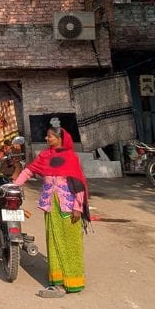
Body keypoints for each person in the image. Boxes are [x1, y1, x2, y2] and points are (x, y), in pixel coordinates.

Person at [13, 125, 90, 297]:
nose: (47, 139)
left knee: (70, 242)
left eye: (50, 137)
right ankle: (57, 280)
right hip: (51, 205)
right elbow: (29, 170)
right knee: (53, 240)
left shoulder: (70, 158)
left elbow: (78, 184)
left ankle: (73, 281)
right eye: (47, 137)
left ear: (60, 139)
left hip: (68, 207)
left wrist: (78, 207)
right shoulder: (44, 156)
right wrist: (14, 186)